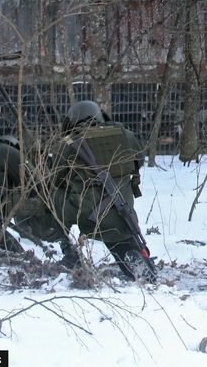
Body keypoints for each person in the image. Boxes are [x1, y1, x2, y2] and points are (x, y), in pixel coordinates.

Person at [48, 100, 155, 282]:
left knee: (47, 199)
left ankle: (67, 249)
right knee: (120, 237)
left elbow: (55, 180)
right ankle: (136, 261)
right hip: (121, 211)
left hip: (87, 213)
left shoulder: (67, 144)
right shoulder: (124, 134)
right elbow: (140, 159)